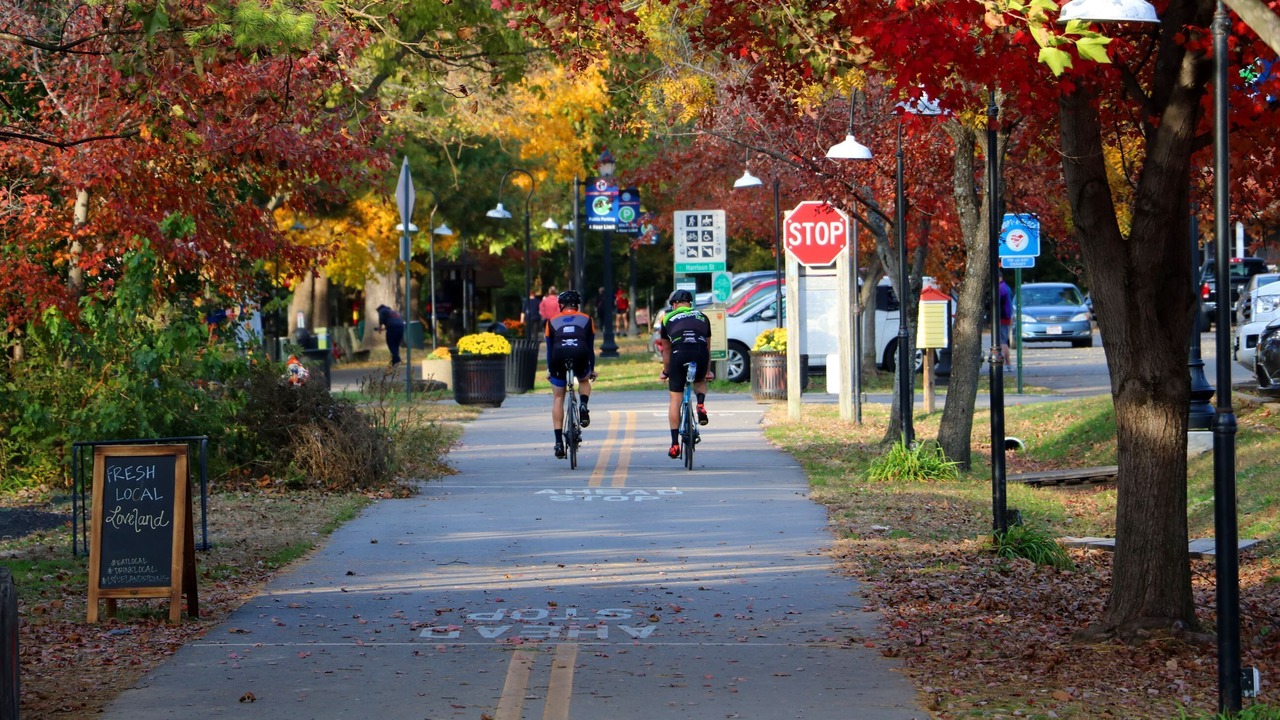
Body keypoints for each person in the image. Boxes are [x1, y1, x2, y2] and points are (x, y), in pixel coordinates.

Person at [657, 289, 711, 460]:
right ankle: (700, 404)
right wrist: (707, 371)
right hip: (699, 352)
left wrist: (666, 371)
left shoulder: (667, 318)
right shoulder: (703, 317)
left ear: (674, 305)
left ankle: (674, 444)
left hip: (679, 354)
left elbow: (666, 350)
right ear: (690, 303)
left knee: (675, 400)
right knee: (700, 379)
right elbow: (708, 348)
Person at [546, 290, 596, 459]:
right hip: (580, 354)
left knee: (558, 398)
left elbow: (549, 349)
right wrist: (592, 369)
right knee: (583, 379)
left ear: (561, 305)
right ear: (577, 305)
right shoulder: (587, 319)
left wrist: (550, 370)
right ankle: (583, 405)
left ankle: (558, 442)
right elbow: (590, 347)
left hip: (558, 357)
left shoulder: (551, 321)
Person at [998, 274, 1013, 372]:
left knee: (1001, 342)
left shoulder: (1000, 288)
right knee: (1004, 341)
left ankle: (1003, 364)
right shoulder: (1006, 287)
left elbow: (997, 302)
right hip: (1006, 317)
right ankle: (1007, 364)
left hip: (1002, 317)